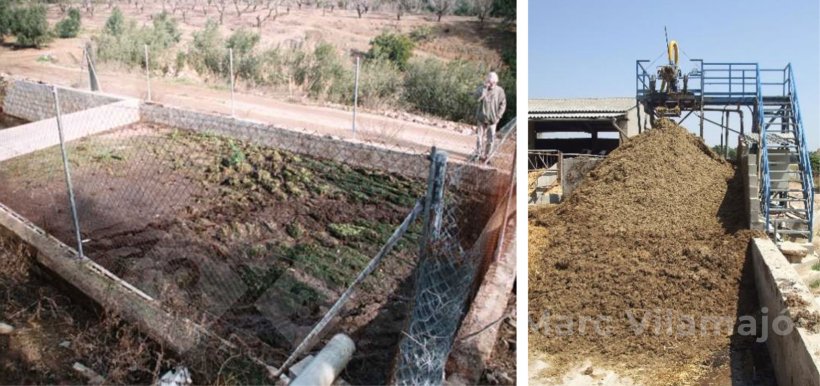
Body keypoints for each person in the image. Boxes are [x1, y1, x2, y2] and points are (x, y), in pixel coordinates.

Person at [475, 71, 506, 160]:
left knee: (491, 139)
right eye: (489, 81)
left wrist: (498, 117)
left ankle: (487, 156)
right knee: (479, 137)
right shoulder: (482, 88)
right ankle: (478, 154)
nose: (490, 84)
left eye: (492, 82)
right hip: (481, 117)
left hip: (493, 119)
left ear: (496, 82)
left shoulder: (500, 91)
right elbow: (477, 98)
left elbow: (503, 105)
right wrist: (484, 89)